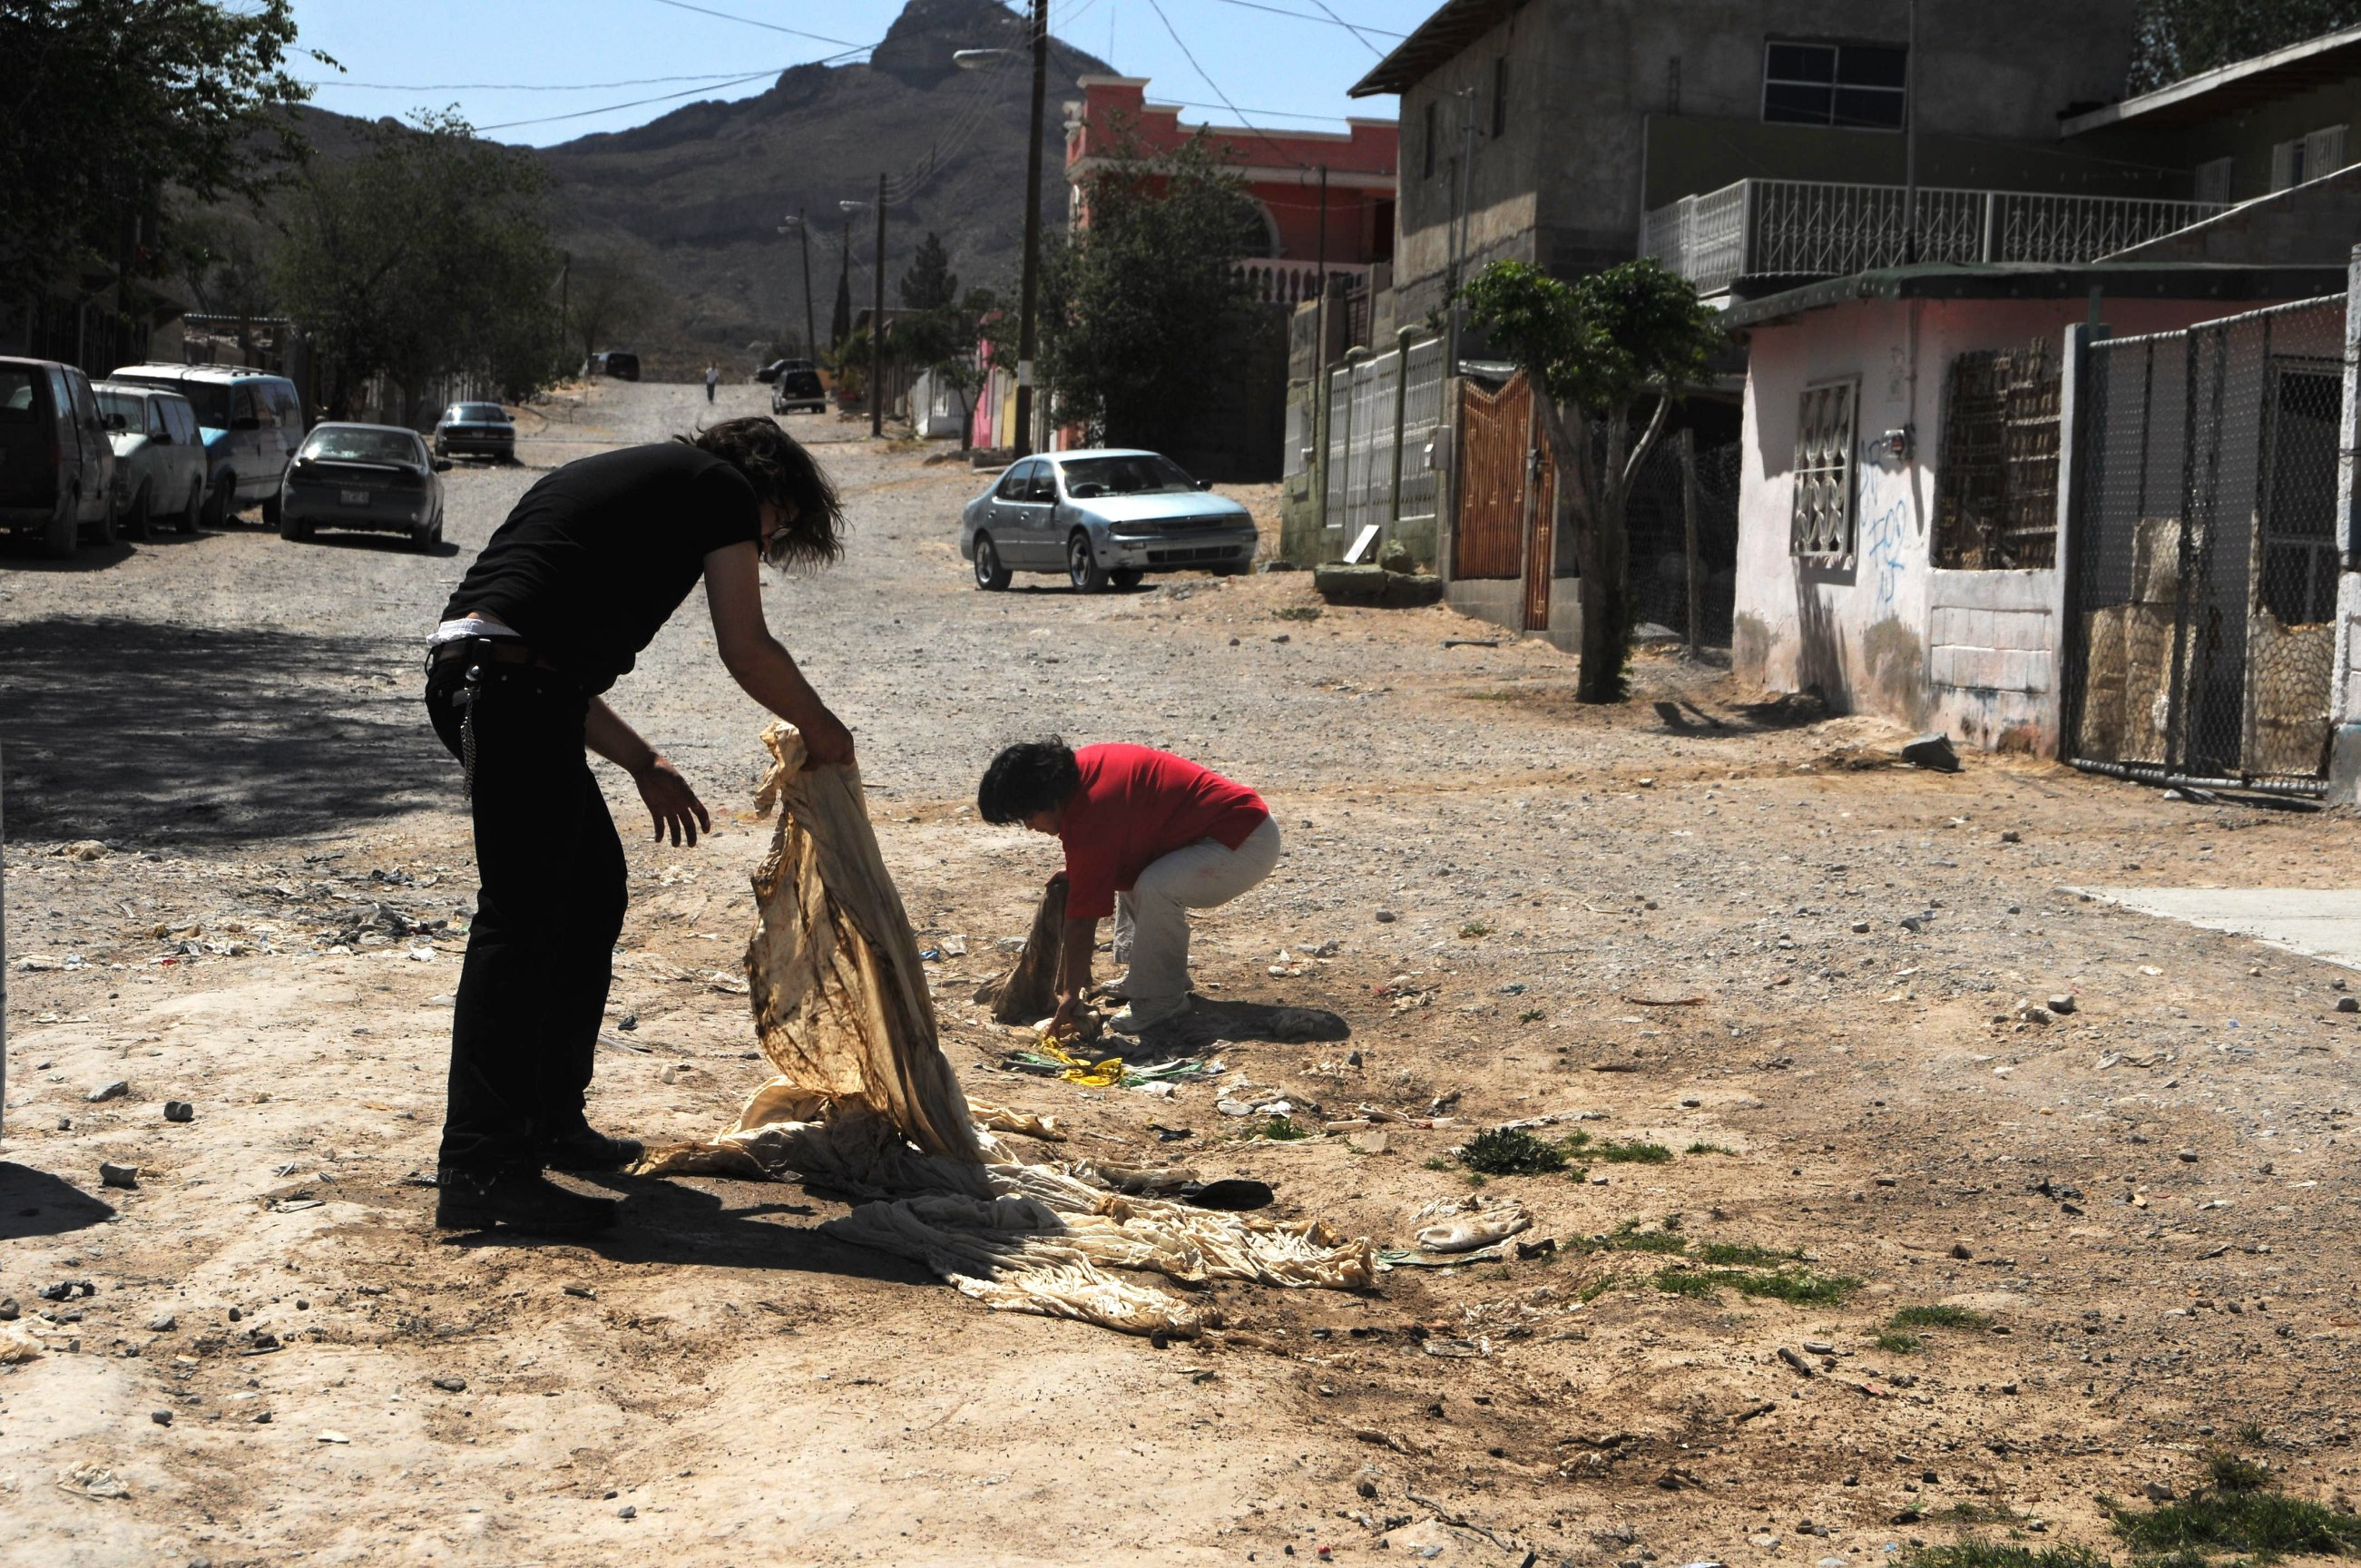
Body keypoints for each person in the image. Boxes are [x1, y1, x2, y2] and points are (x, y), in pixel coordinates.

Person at [423, 416, 856, 1236]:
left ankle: (549, 1121)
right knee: (521, 923)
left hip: (512, 688)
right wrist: (822, 726)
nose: (767, 543)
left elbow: (540, 650)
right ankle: (481, 1168)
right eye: (781, 526)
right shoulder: (719, 488)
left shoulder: (650, 485)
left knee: (588, 895)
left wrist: (642, 760)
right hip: (506, 693)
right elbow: (747, 647)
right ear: (769, 489)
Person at [978, 739, 1278, 1036]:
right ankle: (1153, 978)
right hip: (1225, 834)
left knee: (1155, 885)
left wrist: (1070, 994)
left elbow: (1082, 919)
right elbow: (1115, 847)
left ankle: (1161, 999)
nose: (1030, 827)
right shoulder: (1083, 773)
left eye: (1029, 816)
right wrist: (1085, 870)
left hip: (1244, 841)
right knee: (1142, 877)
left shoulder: (1092, 809)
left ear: (1048, 799)